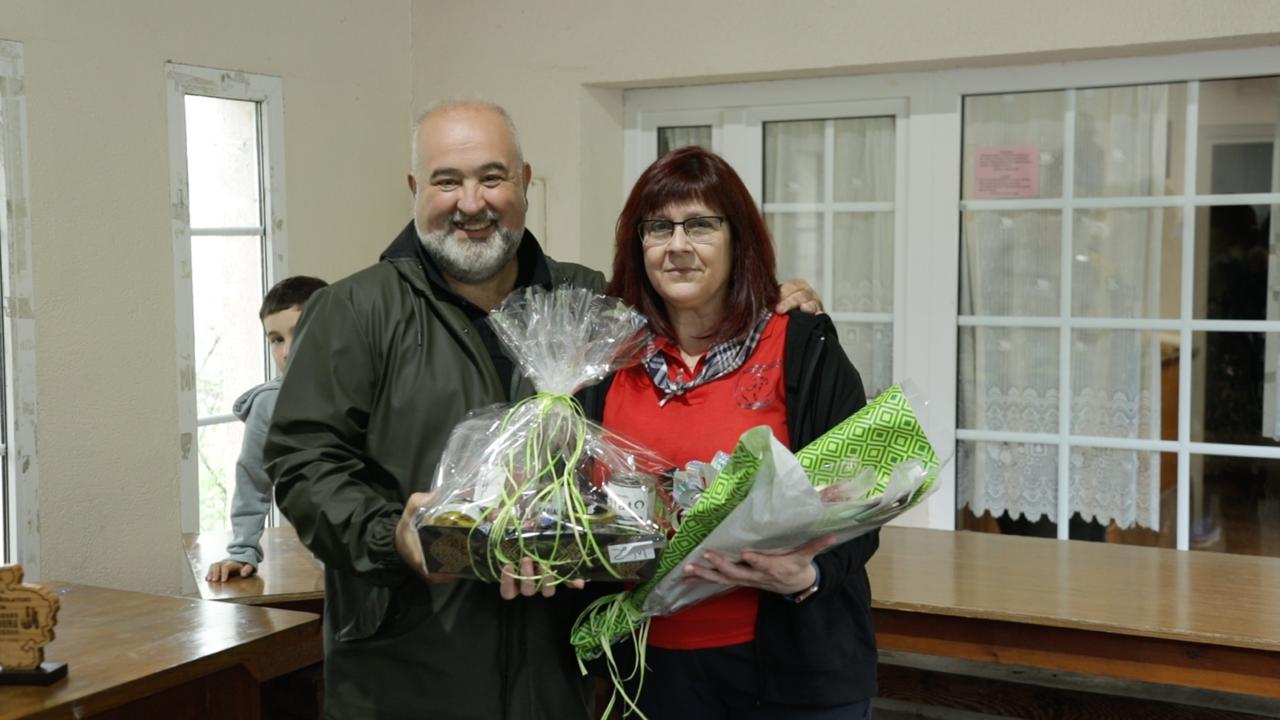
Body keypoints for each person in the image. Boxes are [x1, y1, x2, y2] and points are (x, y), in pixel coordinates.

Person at [264, 100, 824, 720]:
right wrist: (389, 533)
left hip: (554, 672)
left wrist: (769, 298)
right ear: (414, 188)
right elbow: (302, 461)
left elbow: (689, 326)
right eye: (447, 180)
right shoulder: (352, 312)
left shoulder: (590, 301)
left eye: (492, 177)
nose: (471, 202)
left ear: (525, 183)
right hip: (408, 669)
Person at [578, 146, 877, 719]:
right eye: (658, 227)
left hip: (792, 668)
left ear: (738, 238)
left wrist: (809, 574)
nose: (678, 246)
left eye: (701, 225)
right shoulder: (605, 362)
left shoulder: (799, 345)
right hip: (647, 671)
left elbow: (863, 496)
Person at [205, 275, 328, 583]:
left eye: (299, 333)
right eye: (276, 339)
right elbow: (252, 478)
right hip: (327, 566)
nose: (286, 352)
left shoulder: (369, 388)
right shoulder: (269, 406)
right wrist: (242, 549)